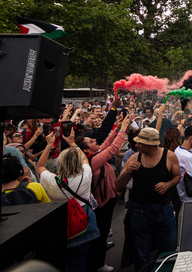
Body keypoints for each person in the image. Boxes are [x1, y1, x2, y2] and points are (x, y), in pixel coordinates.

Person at [115, 127, 181, 272]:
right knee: (141, 255)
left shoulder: (169, 156)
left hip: (164, 211)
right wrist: (127, 171)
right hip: (140, 214)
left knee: (168, 251)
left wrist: (168, 184)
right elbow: (118, 187)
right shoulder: (133, 158)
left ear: (150, 144)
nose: (136, 145)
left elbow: (177, 176)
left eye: (139, 143)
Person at [37, 133, 100, 272]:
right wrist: (72, 143)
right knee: (79, 260)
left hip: (60, 221)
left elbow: (40, 166)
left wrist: (49, 145)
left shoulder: (52, 181)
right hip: (84, 219)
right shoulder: (85, 174)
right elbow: (84, 159)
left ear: (59, 163)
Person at [77, 115, 132, 272]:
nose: (96, 142)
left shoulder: (93, 154)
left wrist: (117, 129)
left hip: (108, 198)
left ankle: (97, 262)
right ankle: (97, 264)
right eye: (92, 142)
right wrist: (122, 130)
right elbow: (113, 149)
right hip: (102, 203)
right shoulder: (91, 161)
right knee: (99, 235)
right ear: (86, 149)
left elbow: (107, 144)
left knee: (102, 232)